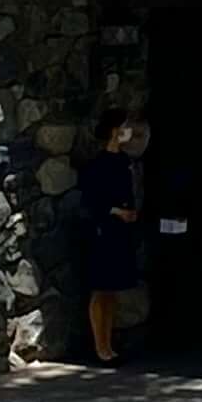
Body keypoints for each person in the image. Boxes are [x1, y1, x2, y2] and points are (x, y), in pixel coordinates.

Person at [76, 114, 146, 365]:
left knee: (112, 290)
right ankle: (99, 345)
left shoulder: (125, 162)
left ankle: (109, 342)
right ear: (115, 131)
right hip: (103, 230)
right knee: (100, 288)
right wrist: (115, 211)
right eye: (124, 128)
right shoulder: (98, 164)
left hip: (120, 231)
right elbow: (92, 202)